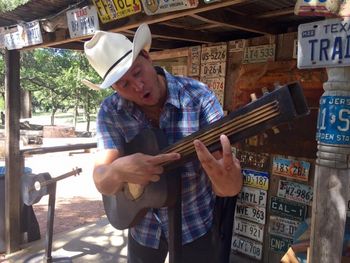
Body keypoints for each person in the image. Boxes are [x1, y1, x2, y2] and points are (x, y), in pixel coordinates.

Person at [83, 23, 243, 263]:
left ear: (146, 56)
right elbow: (102, 180)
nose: (137, 86)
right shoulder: (111, 111)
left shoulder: (199, 97)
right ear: (114, 88)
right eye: (124, 84)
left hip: (195, 224)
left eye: (137, 72)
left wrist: (227, 181)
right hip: (142, 229)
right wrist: (118, 170)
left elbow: (229, 187)